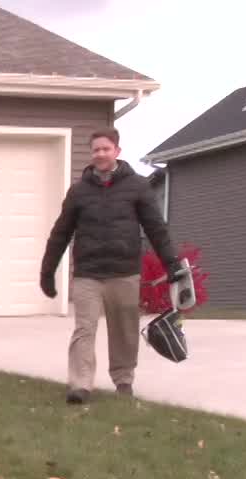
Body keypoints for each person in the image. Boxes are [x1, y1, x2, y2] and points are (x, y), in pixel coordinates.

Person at [39, 127, 187, 405]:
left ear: (117, 151)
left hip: (124, 273)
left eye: (106, 149)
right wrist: (47, 271)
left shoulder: (138, 187)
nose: (100, 154)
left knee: (124, 330)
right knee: (84, 329)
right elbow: (60, 232)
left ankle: (123, 380)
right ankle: (80, 384)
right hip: (88, 274)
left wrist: (172, 263)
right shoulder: (79, 192)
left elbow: (156, 229)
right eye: (96, 149)